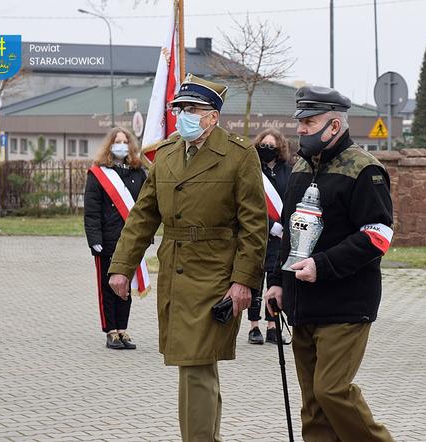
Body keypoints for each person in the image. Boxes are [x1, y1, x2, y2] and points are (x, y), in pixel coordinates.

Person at [107, 74, 267, 441]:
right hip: (175, 274)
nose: (183, 116)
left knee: (196, 366)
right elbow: (143, 216)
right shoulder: (166, 154)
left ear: (213, 116)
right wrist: (122, 266)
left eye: (192, 109)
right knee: (194, 367)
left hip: (215, 275)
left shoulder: (239, 155)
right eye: (180, 109)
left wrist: (244, 281)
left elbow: (254, 226)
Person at [265, 85, 395, 441]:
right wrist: (275, 281)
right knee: (314, 407)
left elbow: (377, 235)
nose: (301, 129)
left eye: (310, 122)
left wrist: (322, 265)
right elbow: (286, 229)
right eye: (301, 122)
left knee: (331, 391)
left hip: (345, 304)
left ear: (334, 126)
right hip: (301, 302)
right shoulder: (302, 167)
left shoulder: (366, 170)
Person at [84, 127, 148, 350]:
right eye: (116, 141)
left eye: (124, 141)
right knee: (107, 286)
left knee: (125, 287)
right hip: (107, 240)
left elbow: (145, 209)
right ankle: (110, 331)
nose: (121, 145)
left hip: (129, 241)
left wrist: (145, 238)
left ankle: (122, 328)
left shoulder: (138, 173)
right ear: (109, 146)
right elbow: (91, 211)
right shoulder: (99, 174)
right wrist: (94, 239)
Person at [247, 128, 292, 345]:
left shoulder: (288, 170)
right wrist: (270, 225)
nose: (267, 149)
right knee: (256, 281)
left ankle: (272, 326)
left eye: (271, 146)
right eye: (263, 145)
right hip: (258, 233)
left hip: (281, 236)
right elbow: (250, 204)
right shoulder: (253, 170)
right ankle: (253, 326)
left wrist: (284, 227)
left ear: (279, 148)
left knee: (275, 280)